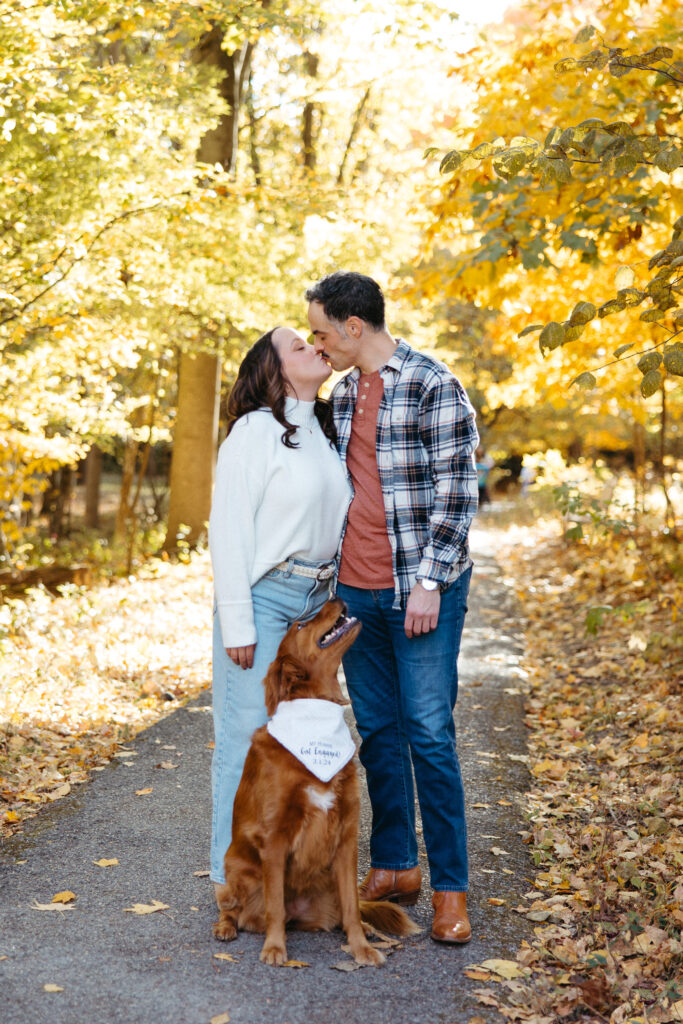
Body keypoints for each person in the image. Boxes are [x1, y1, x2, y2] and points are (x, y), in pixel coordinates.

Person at [306, 272, 479, 944]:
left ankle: (449, 891)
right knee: (377, 731)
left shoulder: (433, 384)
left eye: (323, 332)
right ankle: (396, 865)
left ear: (354, 325)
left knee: (429, 735)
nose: (319, 346)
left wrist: (430, 581)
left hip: (422, 589)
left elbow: (457, 495)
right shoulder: (344, 393)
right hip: (356, 592)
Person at [208, 326, 351, 904]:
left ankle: (295, 880)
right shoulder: (253, 431)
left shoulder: (323, 430)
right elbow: (229, 529)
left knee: (309, 739)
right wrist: (237, 621)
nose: (314, 347)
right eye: (298, 346)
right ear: (275, 371)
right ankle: (230, 885)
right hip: (265, 598)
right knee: (247, 740)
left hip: (317, 604)